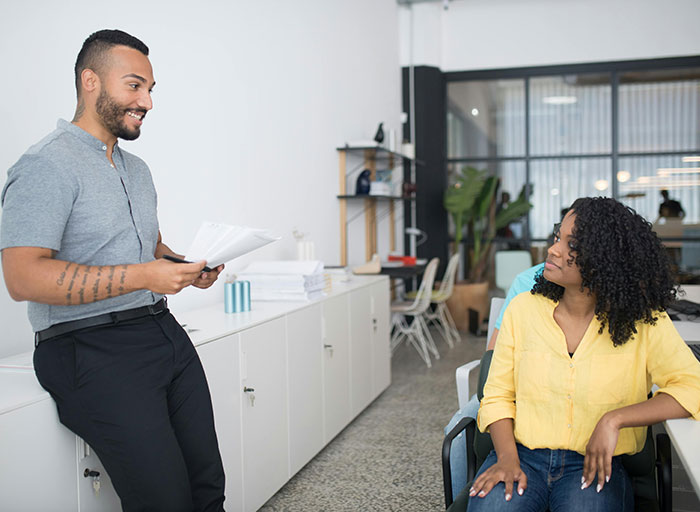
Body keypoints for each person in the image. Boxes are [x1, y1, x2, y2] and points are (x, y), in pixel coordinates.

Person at [0, 30, 226, 512]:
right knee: (165, 502)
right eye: (133, 86)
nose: (146, 101)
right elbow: (22, 278)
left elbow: (151, 248)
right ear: (90, 81)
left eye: (150, 89)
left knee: (208, 485)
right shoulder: (44, 166)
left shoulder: (136, 168)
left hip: (161, 333)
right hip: (89, 349)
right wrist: (145, 276)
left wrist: (185, 267)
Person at [467, 197, 700, 511]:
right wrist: (507, 459)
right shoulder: (524, 310)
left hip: (595, 465)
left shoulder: (644, 322)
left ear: (606, 259)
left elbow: (692, 387)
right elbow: (496, 395)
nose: (553, 250)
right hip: (520, 456)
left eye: (571, 244)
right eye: (557, 237)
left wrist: (613, 420)